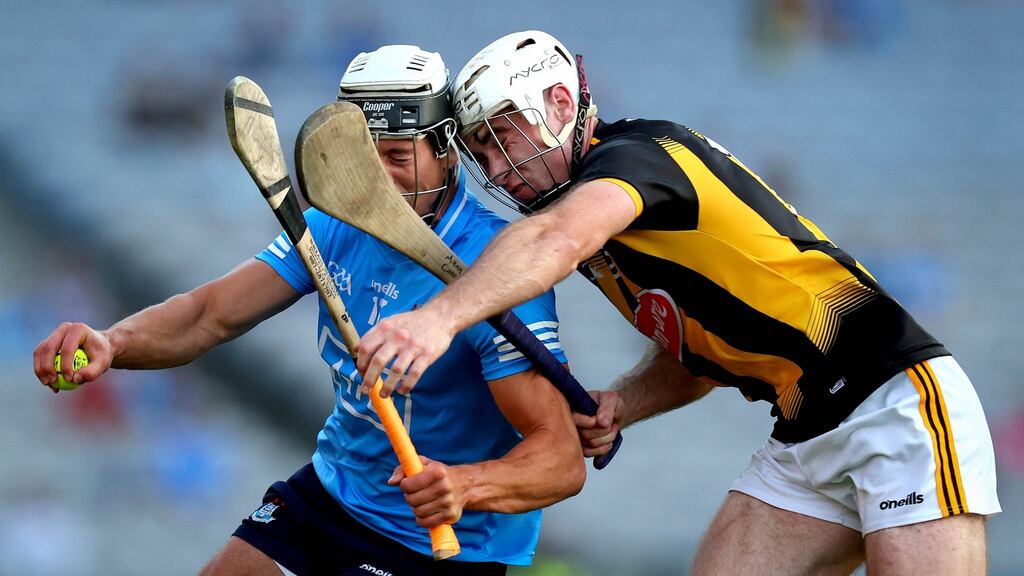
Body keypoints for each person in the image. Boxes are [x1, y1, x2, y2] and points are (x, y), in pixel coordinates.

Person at [355, 31, 1001, 574]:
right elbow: (698, 355)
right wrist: (624, 403)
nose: (496, 169)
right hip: (805, 428)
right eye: (480, 152)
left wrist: (437, 319)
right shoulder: (604, 235)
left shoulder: (639, 158)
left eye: (503, 136)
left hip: (893, 400)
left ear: (560, 103)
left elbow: (553, 238)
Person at [32, 45, 585, 576]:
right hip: (333, 493)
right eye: (363, 156)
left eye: (398, 156)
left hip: (442, 544)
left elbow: (560, 459)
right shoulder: (332, 226)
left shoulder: (498, 269)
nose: (378, 177)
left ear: (445, 149)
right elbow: (208, 314)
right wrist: (114, 341)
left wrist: (466, 485)